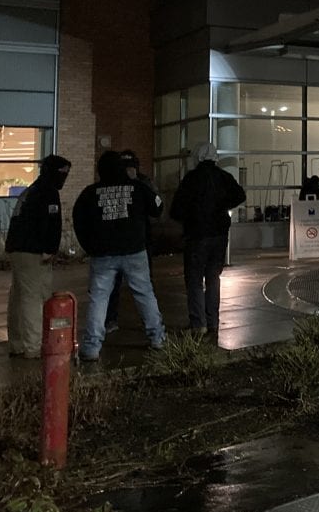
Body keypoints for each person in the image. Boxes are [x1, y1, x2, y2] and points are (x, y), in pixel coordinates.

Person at [73, 150, 166, 360]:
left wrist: (90, 247)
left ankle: (92, 347)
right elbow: (158, 207)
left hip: (103, 254)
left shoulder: (91, 192)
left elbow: (79, 221)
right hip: (134, 251)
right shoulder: (137, 188)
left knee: (99, 298)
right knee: (144, 294)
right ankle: (157, 338)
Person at [169, 142, 246, 336]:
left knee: (194, 279)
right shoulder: (224, 177)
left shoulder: (192, 179)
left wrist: (190, 216)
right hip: (219, 235)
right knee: (213, 278)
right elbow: (240, 195)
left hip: (196, 235)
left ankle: (198, 323)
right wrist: (222, 206)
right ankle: (213, 321)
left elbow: (176, 209)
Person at [4, 153, 71, 358]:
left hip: (17, 249)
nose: (65, 177)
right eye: (63, 173)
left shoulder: (32, 190)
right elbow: (51, 224)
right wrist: (50, 249)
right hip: (33, 251)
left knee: (19, 296)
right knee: (33, 298)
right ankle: (33, 347)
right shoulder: (48, 192)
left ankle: (17, 343)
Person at [104, 150, 160, 333]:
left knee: (143, 287)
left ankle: (151, 326)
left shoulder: (143, 183)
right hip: (125, 243)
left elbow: (156, 206)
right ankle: (112, 320)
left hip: (138, 241)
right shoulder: (113, 184)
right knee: (115, 286)